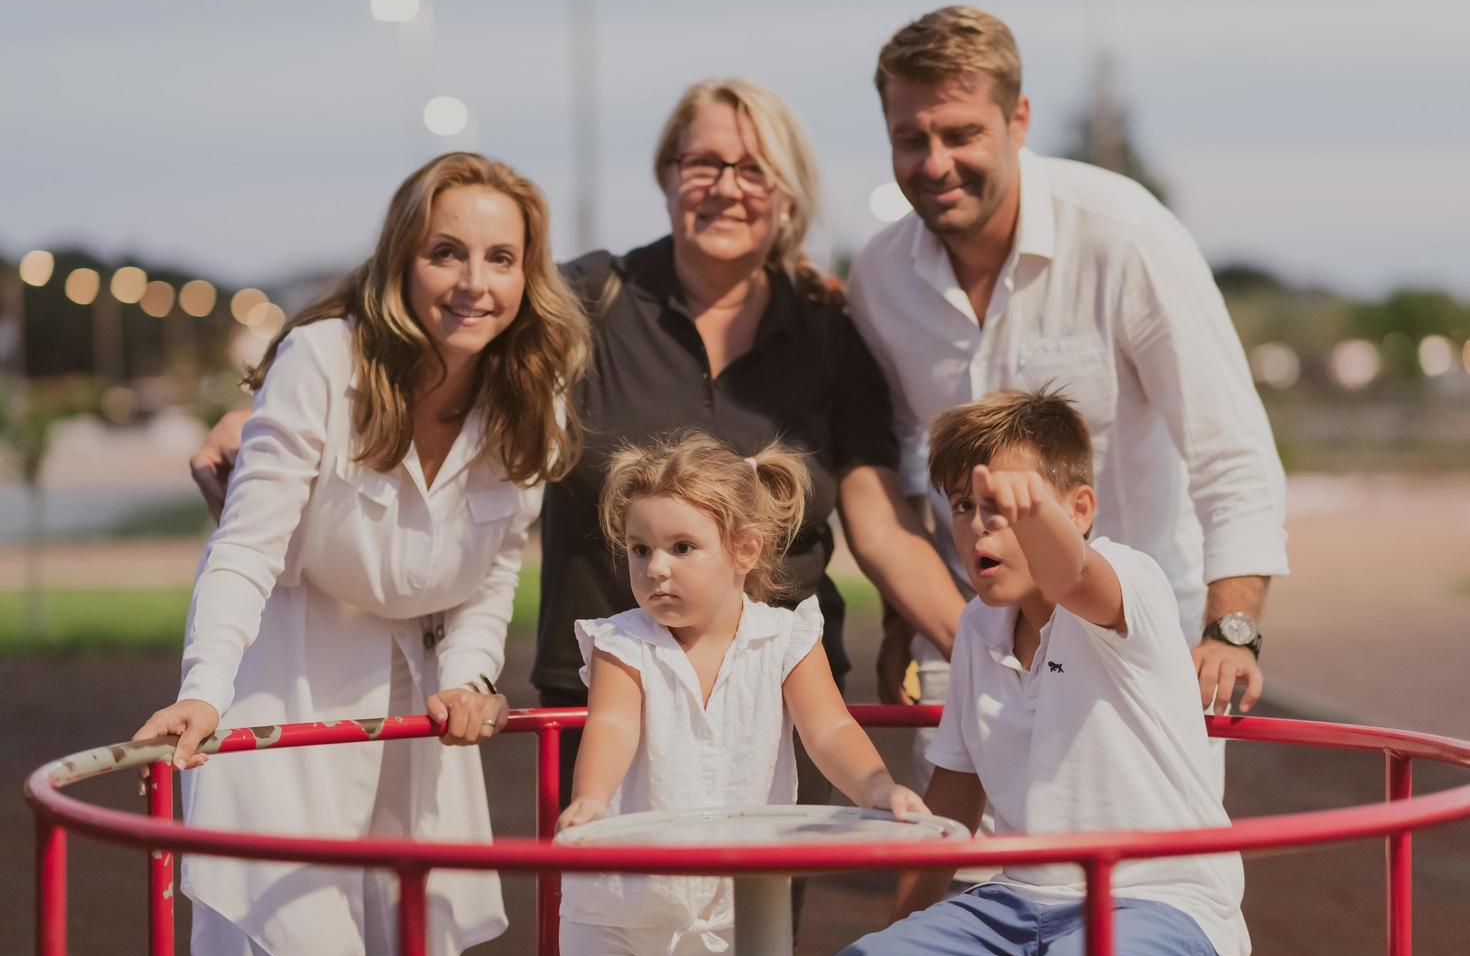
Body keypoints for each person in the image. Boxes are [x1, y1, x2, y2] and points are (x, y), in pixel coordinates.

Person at [188, 79, 967, 815]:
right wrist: (260, 407)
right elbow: (439, 313)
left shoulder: (828, 330)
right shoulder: (589, 302)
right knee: (607, 935)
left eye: (755, 168)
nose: (728, 185)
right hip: (602, 699)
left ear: (790, 190)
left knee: (754, 948)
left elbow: (879, 527)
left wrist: (986, 644)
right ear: (666, 174)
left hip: (778, 702)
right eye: (703, 162)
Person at [133, 152, 589, 956]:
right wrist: (202, 692)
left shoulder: (532, 395)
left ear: (529, 276)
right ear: (400, 262)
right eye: (445, 252)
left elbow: (492, 575)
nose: (473, 281)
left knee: (410, 939)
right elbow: (244, 546)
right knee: (293, 940)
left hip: (414, 719)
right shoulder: (323, 362)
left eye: (501, 258)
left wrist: (471, 677)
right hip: (289, 688)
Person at [847, 7, 1289, 771]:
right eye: (910, 138)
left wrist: (1231, 633)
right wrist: (902, 618)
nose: (935, 161)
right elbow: (912, 465)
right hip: (971, 636)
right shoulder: (881, 276)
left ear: (1017, 119)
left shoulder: (1126, 238)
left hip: (1132, 633)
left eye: (960, 133)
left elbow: (1233, 454)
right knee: (968, 866)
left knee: (1138, 879)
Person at [828, 389, 1248, 956]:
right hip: (1016, 900)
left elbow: (1074, 573)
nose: (980, 528)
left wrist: (1041, 520)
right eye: (963, 507)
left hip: (1157, 899)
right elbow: (953, 799)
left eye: (1004, 506)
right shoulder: (977, 628)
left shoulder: (1129, 582)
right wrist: (895, 938)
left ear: (1079, 510)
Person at [555, 431, 927, 956]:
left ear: (744, 550)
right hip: (618, 904)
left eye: (682, 547)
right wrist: (590, 799)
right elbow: (612, 726)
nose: (656, 567)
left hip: (738, 906)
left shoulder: (784, 638)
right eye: (640, 549)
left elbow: (829, 730)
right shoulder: (624, 641)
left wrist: (877, 785)